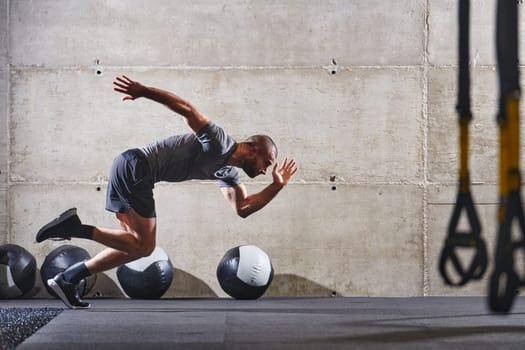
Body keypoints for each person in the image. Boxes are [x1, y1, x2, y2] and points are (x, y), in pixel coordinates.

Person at [36, 75, 298, 309]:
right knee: (145, 245)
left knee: (136, 247)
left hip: (133, 169)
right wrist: (143, 91)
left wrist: (276, 186)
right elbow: (186, 109)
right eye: (267, 162)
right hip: (137, 167)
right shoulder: (220, 142)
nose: (266, 170)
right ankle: (74, 229)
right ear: (253, 148)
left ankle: (68, 278)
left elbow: (243, 208)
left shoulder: (227, 171)